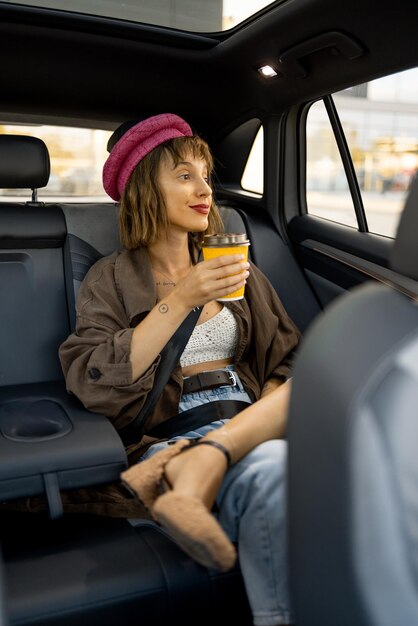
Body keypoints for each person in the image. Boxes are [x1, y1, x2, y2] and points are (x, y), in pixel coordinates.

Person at [59, 112, 300, 626]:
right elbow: (93, 379)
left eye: (206, 176)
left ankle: (202, 467)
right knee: (276, 476)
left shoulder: (236, 264)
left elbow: (287, 355)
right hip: (175, 427)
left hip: (251, 416)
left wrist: (260, 417)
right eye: (184, 175)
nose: (204, 189)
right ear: (146, 188)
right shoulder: (111, 278)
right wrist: (183, 298)